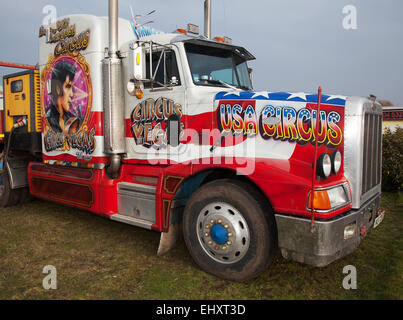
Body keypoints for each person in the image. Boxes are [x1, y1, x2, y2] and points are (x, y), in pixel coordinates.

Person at [46, 61, 81, 134]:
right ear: (57, 88)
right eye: (68, 86)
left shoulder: (72, 121)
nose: (71, 94)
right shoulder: (48, 120)